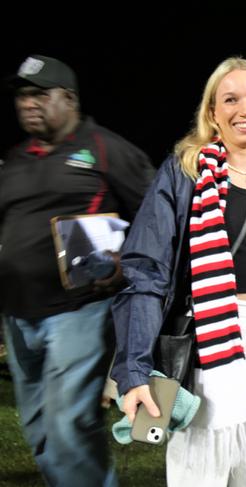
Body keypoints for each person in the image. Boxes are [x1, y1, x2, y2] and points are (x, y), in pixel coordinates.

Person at [110, 57, 246, 487]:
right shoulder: (185, 173)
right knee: (200, 474)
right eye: (231, 99)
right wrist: (133, 372)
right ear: (212, 113)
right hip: (212, 340)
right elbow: (146, 271)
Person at [0, 54, 154, 486]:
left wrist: (128, 261)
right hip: (18, 313)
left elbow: (158, 212)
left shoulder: (105, 147)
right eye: (22, 95)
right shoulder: (15, 159)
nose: (27, 103)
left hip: (79, 310)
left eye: (39, 94)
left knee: (68, 422)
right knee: (39, 427)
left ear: (68, 99)